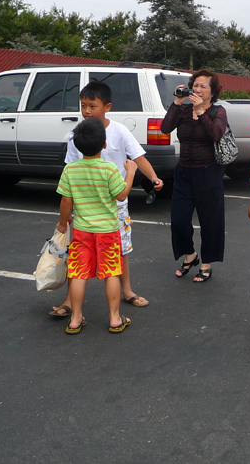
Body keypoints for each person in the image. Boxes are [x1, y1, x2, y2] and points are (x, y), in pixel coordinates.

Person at [50, 82, 164, 317]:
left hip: (116, 206)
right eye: (83, 106)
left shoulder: (119, 131)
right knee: (78, 255)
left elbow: (138, 156)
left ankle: (127, 291)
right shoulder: (78, 135)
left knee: (120, 249)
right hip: (86, 207)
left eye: (93, 105)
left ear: (107, 107)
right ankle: (70, 301)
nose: (87, 111)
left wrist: (153, 177)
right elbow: (71, 170)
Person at [56, 117, 137, 334]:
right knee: (111, 271)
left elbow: (66, 201)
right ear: (104, 144)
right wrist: (130, 172)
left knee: (79, 273)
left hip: (82, 231)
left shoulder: (70, 171)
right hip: (108, 232)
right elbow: (121, 195)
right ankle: (114, 318)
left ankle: (75, 319)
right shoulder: (109, 169)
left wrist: (63, 223)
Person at [161, 69, 227, 283]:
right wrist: (178, 102)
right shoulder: (184, 109)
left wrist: (200, 111)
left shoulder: (218, 111)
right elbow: (165, 128)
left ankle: (206, 262)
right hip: (184, 171)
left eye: (203, 86)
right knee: (179, 220)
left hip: (209, 172)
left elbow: (215, 134)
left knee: (210, 220)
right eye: (195, 85)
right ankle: (190, 255)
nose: (197, 89)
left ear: (212, 91)